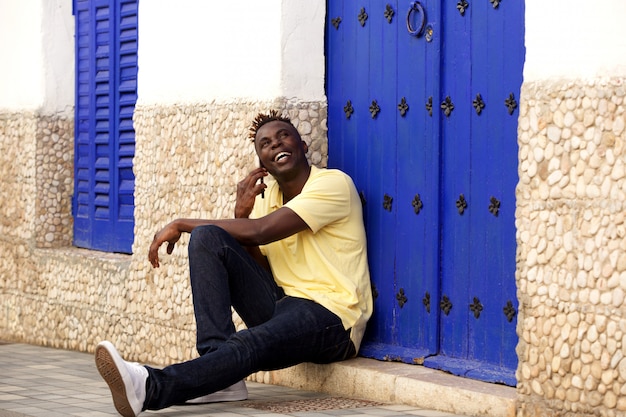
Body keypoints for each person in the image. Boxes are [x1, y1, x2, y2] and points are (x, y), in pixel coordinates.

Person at [95, 110, 373, 417]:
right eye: (265, 143)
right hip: (285, 304)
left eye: (283, 135)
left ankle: (151, 387)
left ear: (302, 145)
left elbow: (262, 231)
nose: (275, 144)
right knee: (207, 237)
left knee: (248, 342)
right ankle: (222, 378)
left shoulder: (332, 184)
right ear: (262, 163)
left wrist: (181, 222)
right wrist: (240, 214)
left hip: (333, 318)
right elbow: (262, 263)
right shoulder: (268, 199)